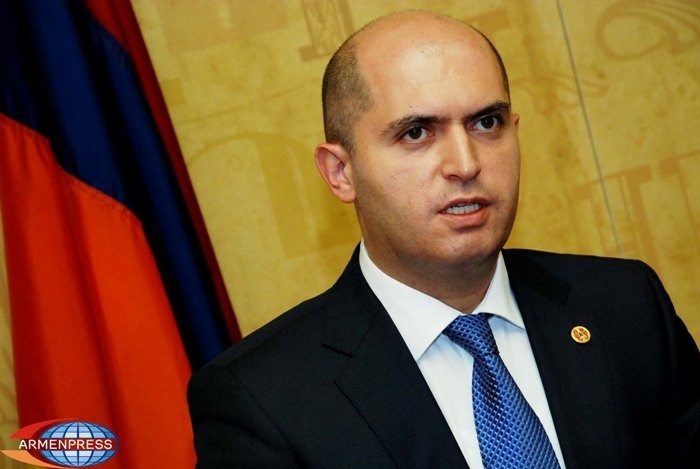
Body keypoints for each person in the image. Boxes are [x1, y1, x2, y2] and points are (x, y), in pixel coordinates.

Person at [187, 10, 700, 468]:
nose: (465, 164)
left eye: (486, 123)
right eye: (416, 132)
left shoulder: (625, 307)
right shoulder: (261, 401)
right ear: (341, 172)